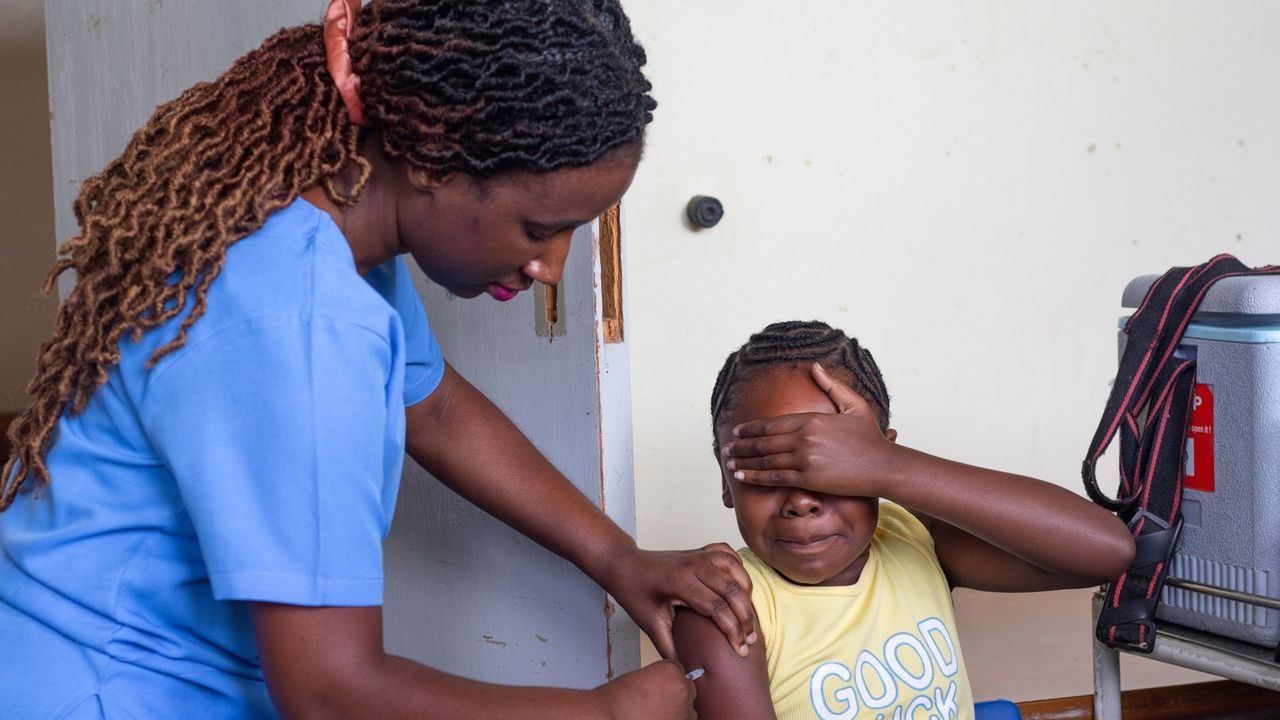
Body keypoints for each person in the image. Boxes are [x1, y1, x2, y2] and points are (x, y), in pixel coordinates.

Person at [0, 2, 757, 718]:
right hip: (103, 691)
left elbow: (435, 407)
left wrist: (617, 557)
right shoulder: (299, 324)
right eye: (539, 228)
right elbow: (329, 693)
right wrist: (604, 711)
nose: (551, 267)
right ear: (430, 159)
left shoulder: (318, 228)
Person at [673, 321, 1136, 720]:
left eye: (831, 471)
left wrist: (889, 466)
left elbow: (1106, 551)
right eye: (765, 474)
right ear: (724, 477)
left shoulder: (912, 538)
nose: (800, 502)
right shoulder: (725, 604)